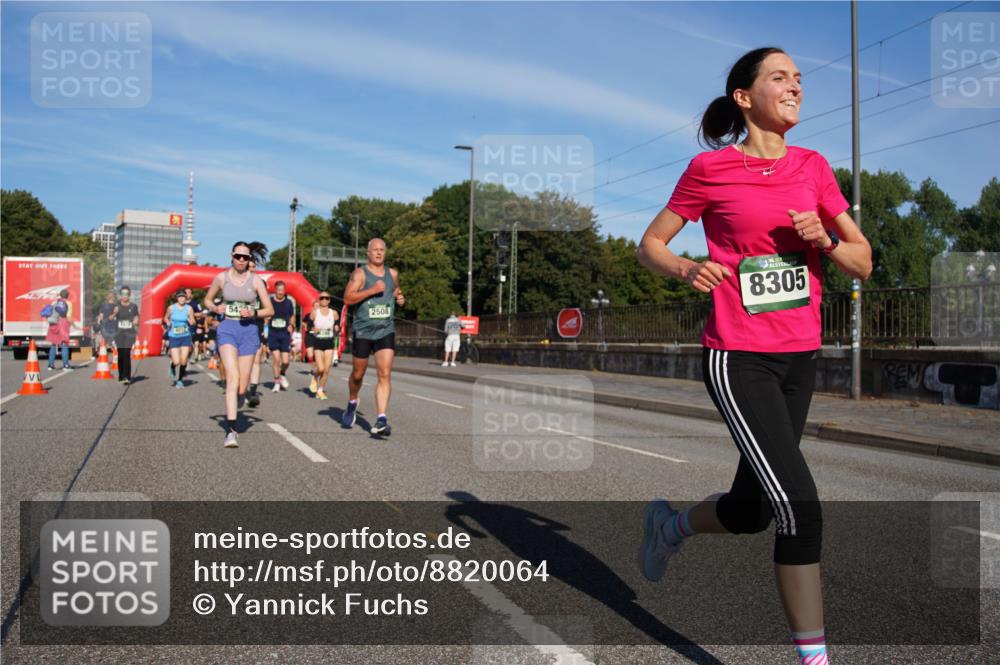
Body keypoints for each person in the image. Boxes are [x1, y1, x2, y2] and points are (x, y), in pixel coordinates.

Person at [636, 47, 872, 665]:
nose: (795, 86)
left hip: (800, 355)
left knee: (749, 510)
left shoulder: (815, 167)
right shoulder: (710, 169)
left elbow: (862, 262)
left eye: (799, 79)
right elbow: (651, 244)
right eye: (780, 77)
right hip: (738, 354)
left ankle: (671, 527)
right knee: (801, 509)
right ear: (745, 97)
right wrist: (687, 266)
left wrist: (826, 237)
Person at [204, 242, 273, 448]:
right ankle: (231, 431)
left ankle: (239, 398)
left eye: (245, 257)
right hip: (228, 330)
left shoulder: (257, 281)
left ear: (249, 259)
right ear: (231, 256)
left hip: (249, 332)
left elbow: (269, 309)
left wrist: (253, 312)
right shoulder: (222, 278)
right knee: (232, 379)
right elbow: (207, 300)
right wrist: (216, 308)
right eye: (238, 256)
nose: (241, 260)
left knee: (242, 387)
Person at [341, 238, 404, 435]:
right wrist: (372, 290)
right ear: (368, 253)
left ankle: (381, 419)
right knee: (358, 375)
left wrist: (399, 298)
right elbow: (347, 298)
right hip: (363, 331)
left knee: (384, 374)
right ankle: (352, 401)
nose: (378, 253)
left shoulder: (392, 273)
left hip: (385, 330)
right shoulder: (359, 274)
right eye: (375, 250)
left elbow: (395, 290)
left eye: (382, 250)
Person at [245, 259, 267, 408]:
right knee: (243, 363)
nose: (252, 269)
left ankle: (253, 392)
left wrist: (258, 314)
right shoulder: (236, 285)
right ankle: (241, 388)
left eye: (254, 267)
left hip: (256, 328)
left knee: (256, 360)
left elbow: (268, 308)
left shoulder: (261, 284)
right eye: (249, 267)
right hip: (240, 328)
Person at [309, 291, 339, 401]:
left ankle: (320, 390)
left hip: (329, 342)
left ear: (329, 300)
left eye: (326, 298)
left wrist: (336, 328)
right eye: (322, 298)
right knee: (320, 368)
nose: (324, 300)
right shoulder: (314, 313)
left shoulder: (334, 313)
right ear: (319, 300)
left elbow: (337, 326)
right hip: (318, 342)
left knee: (326, 370)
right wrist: (313, 329)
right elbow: (308, 327)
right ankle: (314, 376)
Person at [163, 290, 196, 388]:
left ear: (186, 298)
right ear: (177, 298)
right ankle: (172, 366)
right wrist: (168, 322)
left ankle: (180, 380)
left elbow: (193, 320)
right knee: (176, 361)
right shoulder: (171, 308)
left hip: (185, 336)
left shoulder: (189, 308)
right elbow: (165, 318)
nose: (181, 299)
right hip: (174, 336)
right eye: (179, 297)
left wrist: (191, 321)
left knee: (183, 360)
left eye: (183, 297)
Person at [267, 280, 295, 392]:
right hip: (273, 334)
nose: (280, 292)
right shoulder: (270, 302)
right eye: (278, 290)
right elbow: (266, 314)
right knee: (276, 360)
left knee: (285, 361)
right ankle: (277, 383)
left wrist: (291, 325)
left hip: (285, 334)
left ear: (284, 291)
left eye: (282, 290)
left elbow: (292, 316)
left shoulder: (288, 303)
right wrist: (266, 320)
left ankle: (282, 373)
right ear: (275, 290)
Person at [113, 286, 140, 384]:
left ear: (129, 295)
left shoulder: (133, 306)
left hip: (129, 333)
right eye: (123, 294)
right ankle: (121, 375)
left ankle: (127, 377)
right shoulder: (116, 306)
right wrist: (114, 313)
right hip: (119, 333)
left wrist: (136, 321)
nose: (125, 296)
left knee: (126, 353)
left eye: (127, 294)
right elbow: (110, 318)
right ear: (120, 295)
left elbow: (136, 317)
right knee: (120, 355)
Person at [45, 288, 72, 370]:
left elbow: (49, 313)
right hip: (63, 324)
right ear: (67, 296)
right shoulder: (68, 303)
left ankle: (50, 365)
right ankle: (65, 365)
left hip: (53, 324)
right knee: (64, 345)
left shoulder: (54, 303)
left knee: (53, 344)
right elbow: (68, 316)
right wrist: (72, 324)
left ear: (60, 295)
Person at [302, 299, 319, 394]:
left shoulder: (321, 316)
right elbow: (304, 322)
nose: (317, 307)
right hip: (309, 336)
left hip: (318, 337)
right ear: (313, 306)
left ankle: (315, 371)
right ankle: (312, 368)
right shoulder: (309, 315)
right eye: (315, 306)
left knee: (317, 356)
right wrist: (306, 326)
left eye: (318, 306)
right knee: (310, 354)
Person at [186, 287, 207, 362]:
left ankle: (193, 357)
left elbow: (201, 313)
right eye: (185, 292)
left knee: (192, 344)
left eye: (188, 292)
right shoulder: (181, 303)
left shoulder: (195, 303)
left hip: (192, 326)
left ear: (191, 294)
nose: (186, 294)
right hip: (181, 326)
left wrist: (192, 314)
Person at [95, 290, 118, 356]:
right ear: (113, 297)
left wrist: (99, 323)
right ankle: (116, 357)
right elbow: (116, 313)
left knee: (104, 342)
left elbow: (101, 317)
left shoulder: (103, 305)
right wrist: (113, 315)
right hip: (113, 326)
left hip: (104, 326)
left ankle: (102, 355)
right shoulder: (115, 306)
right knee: (113, 342)